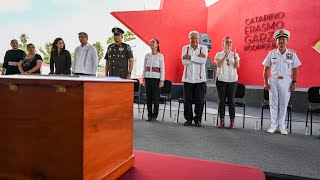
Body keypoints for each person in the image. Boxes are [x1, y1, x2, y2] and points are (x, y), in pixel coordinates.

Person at [262, 29, 301, 135]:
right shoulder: (271, 54)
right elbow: (265, 69)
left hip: (286, 81)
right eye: (279, 39)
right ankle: (273, 125)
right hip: (273, 80)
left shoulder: (292, 54)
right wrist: (266, 82)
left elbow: (295, 69)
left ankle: (281, 126)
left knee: (283, 104)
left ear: (287, 41)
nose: (281, 41)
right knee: (273, 103)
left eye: (283, 39)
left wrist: (294, 82)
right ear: (276, 42)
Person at [181, 30, 208, 127]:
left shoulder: (204, 48)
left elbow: (203, 61)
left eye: (196, 38)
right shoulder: (185, 48)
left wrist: (191, 58)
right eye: (192, 38)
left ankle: (198, 120)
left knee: (199, 101)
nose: (194, 40)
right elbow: (184, 62)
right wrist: (197, 58)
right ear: (189, 39)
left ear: (199, 39)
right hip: (187, 79)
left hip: (200, 80)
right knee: (187, 101)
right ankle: (188, 119)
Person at [214, 37, 240, 129]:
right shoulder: (218, 54)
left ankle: (232, 122)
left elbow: (237, 66)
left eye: (230, 42)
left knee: (231, 101)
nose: (229, 43)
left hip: (232, 80)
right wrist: (225, 55)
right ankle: (221, 121)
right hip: (221, 80)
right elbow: (218, 65)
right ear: (223, 43)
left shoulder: (235, 54)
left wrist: (235, 57)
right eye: (227, 42)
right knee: (221, 101)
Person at [142, 38, 165, 121]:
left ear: (157, 45)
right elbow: (144, 68)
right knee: (148, 98)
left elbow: (162, 69)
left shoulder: (160, 56)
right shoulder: (147, 55)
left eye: (153, 42)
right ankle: (149, 115)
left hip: (156, 80)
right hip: (148, 78)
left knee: (156, 98)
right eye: (150, 42)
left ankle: (155, 115)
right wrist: (143, 79)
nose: (151, 43)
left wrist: (162, 80)